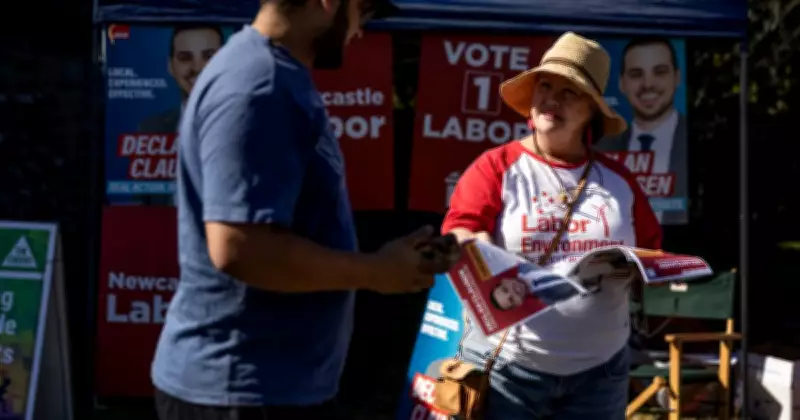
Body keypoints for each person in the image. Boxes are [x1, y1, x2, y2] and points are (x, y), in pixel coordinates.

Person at [148, 0, 455, 418]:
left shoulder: (271, 74)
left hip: (264, 384)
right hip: (242, 389)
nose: (359, 32)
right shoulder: (260, 84)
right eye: (362, 13)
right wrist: (377, 271)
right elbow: (239, 247)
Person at [442, 32, 662, 419]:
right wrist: (483, 256)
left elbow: (651, 253)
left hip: (601, 373)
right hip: (510, 370)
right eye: (545, 85)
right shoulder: (495, 167)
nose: (551, 98)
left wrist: (633, 267)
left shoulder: (621, 183)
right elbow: (458, 232)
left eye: (570, 91)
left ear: (591, 111)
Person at [595, 37, 687, 225]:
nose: (648, 84)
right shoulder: (602, 147)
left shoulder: (696, 139)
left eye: (659, 72)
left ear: (677, 77)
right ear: (622, 83)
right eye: (636, 74)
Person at [138, 24, 224, 133]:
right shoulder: (150, 128)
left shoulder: (246, 123)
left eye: (209, 57)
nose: (197, 67)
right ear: (170, 66)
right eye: (185, 58)